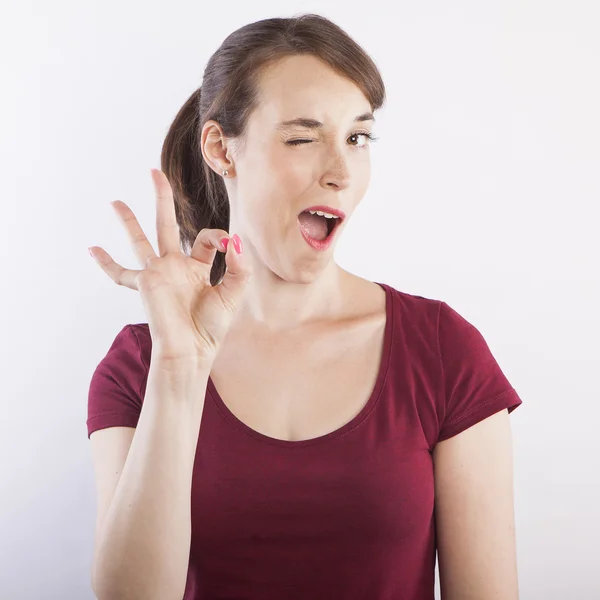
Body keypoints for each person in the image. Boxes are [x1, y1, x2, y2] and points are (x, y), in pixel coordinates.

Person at [86, 13, 523, 600]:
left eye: (358, 137)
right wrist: (179, 372)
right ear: (220, 148)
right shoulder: (141, 364)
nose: (341, 173)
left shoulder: (443, 350)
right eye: (302, 137)